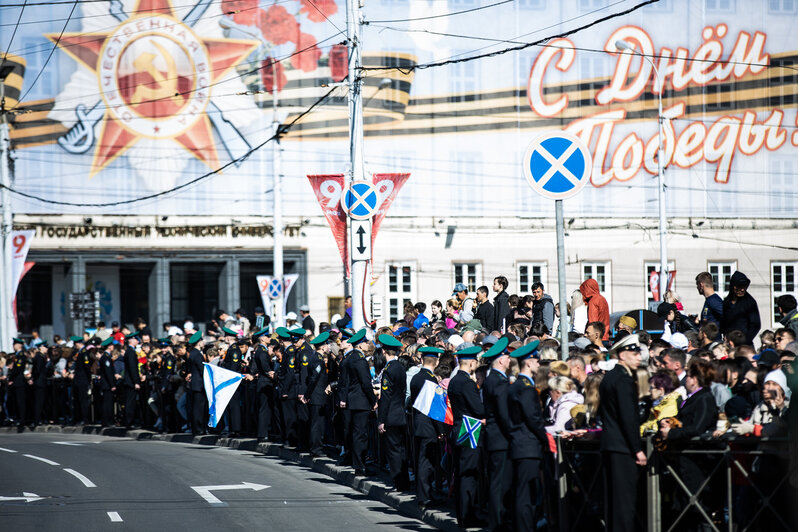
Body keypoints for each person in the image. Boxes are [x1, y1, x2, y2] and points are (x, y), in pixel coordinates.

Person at [597, 333, 647, 532]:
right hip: (622, 447)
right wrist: (637, 449)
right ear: (623, 354)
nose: (639, 358)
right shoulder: (624, 380)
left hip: (610, 444)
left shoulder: (609, 377)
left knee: (613, 502)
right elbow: (628, 418)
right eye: (634, 354)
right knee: (624, 503)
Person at [508, 341, 547, 532]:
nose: (539, 364)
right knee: (526, 495)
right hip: (527, 445)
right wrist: (545, 437)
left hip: (520, 444)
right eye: (537, 360)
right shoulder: (525, 388)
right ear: (529, 363)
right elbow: (533, 418)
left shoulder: (518, 385)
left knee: (522, 492)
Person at [447, 345, 485, 529]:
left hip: (459, 428)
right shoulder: (467, 383)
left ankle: (463, 515)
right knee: (469, 474)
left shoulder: (454, 381)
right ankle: (468, 515)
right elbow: (478, 409)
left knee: (462, 473)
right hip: (470, 429)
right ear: (471, 363)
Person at [480, 337, 513, 531]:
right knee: (499, 483)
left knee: (497, 482)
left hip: (495, 438)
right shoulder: (499, 381)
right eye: (507, 357)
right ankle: (497, 523)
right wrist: (513, 433)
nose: (510, 360)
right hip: (500, 439)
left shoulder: (493, 379)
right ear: (501, 360)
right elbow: (503, 414)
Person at [409, 345, 444, 510]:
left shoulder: (416, 378)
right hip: (428, 425)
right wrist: (441, 430)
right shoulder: (430, 380)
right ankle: (425, 496)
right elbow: (435, 408)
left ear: (422, 360)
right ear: (436, 362)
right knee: (426, 462)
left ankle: (424, 494)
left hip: (418, 423)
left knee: (422, 460)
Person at [376, 334, 410, 490]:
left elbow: (386, 397)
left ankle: (399, 481)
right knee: (401, 450)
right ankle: (403, 481)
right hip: (399, 414)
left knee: (393, 451)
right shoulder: (401, 368)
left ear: (384, 351)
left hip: (391, 415)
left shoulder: (389, 370)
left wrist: (381, 420)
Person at [344, 328, 376, 476]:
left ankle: (358, 464)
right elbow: (365, 383)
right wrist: (373, 399)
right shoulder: (360, 360)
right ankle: (360, 466)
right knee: (361, 435)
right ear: (361, 345)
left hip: (354, 399)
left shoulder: (351, 357)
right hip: (361, 400)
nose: (368, 345)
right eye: (366, 342)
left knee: (357, 433)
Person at [306, 331, 331, 456]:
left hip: (317, 395)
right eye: (326, 344)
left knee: (317, 422)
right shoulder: (318, 360)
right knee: (317, 424)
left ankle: (316, 447)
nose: (328, 346)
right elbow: (314, 378)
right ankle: (316, 448)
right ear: (322, 346)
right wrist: (307, 395)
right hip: (317, 396)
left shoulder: (315, 357)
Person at [721, 271, 760, 344]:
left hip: (744, 345)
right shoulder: (727, 302)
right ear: (733, 287)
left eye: (744, 287)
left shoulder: (749, 302)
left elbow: (755, 325)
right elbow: (724, 322)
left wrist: (744, 341)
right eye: (740, 286)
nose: (742, 289)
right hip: (729, 344)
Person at [640, 370, 680, 434]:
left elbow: (658, 426)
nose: (649, 390)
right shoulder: (657, 405)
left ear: (661, 390)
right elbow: (649, 423)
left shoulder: (670, 404)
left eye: (651, 388)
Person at [186, 331, 206, 435]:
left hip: (194, 384)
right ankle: (199, 428)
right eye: (202, 341)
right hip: (199, 384)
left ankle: (195, 428)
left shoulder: (192, 354)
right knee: (199, 407)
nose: (203, 342)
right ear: (199, 342)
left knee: (195, 407)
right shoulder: (198, 355)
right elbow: (202, 370)